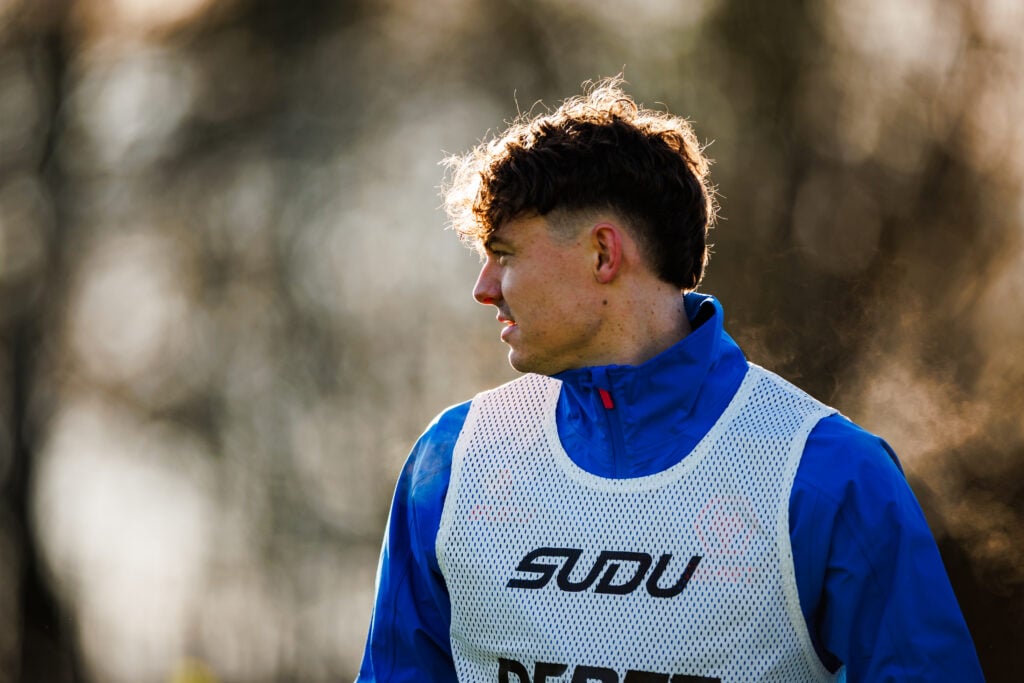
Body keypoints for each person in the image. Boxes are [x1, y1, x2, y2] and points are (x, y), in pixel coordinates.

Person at [355, 78, 984, 682]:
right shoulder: (453, 461)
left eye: (506, 254)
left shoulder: (830, 475)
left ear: (604, 254)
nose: (483, 288)